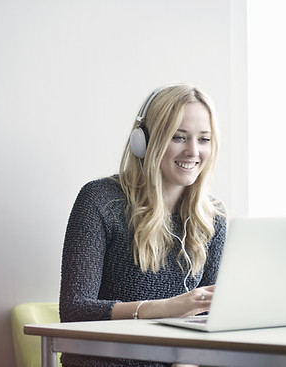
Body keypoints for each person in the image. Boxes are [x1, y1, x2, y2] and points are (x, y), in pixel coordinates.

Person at [59, 84, 227, 367]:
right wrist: (167, 308)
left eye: (204, 139)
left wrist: (188, 361)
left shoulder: (212, 218)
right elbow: (75, 310)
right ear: (144, 141)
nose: (192, 151)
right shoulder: (100, 200)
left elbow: (215, 317)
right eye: (179, 137)